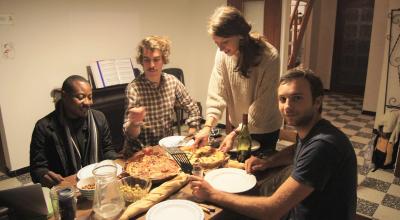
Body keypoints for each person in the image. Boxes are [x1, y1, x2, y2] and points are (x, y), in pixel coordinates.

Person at [190, 68, 357, 220]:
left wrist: (212, 194)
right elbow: (296, 150)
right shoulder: (314, 130)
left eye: (297, 98)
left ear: (317, 102)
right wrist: (267, 162)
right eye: (282, 99)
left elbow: (272, 211)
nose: (287, 106)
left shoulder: (323, 146)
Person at [193, 6, 282, 154]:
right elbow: (216, 93)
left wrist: (234, 134)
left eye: (225, 42)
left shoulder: (269, 56)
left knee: (259, 170)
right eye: (217, 43)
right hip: (237, 126)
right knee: (238, 166)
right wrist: (207, 127)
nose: (221, 49)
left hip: (264, 128)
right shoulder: (222, 55)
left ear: (240, 35)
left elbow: (260, 110)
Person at [30, 75, 120, 188]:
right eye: (81, 97)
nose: (88, 102)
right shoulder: (44, 127)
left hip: (98, 183)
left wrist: (117, 160)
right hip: (67, 188)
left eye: (90, 97)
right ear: (64, 96)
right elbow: (36, 168)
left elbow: (107, 149)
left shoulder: (99, 118)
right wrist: (42, 174)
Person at [123, 35, 201, 149]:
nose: (152, 65)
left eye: (156, 59)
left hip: (167, 148)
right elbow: (130, 134)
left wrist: (191, 133)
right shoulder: (133, 88)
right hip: (141, 151)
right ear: (141, 61)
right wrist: (134, 123)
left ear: (164, 59)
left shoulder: (172, 81)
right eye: (146, 60)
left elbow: (193, 108)